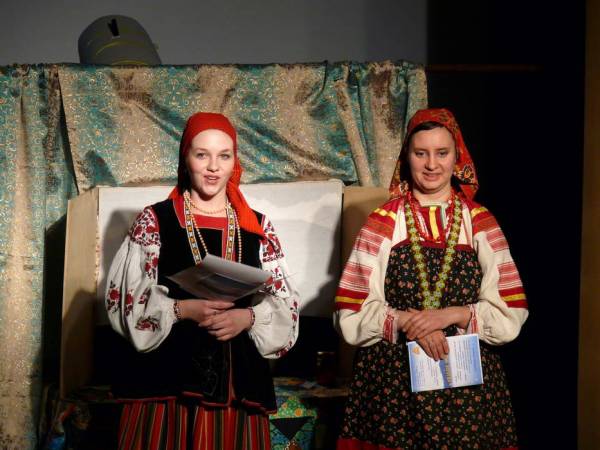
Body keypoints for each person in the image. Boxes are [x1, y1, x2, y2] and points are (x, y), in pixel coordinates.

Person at [334, 108, 528, 449]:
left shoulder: (480, 221)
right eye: (420, 153)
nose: (431, 164)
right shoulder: (382, 222)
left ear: (457, 158)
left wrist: (451, 315)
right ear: (406, 157)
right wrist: (407, 321)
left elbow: (510, 312)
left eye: (442, 153)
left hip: (466, 388)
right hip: (392, 387)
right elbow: (350, 314)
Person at [105, 112, 299, 450]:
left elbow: (285, 303)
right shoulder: (155, 220)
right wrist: (182, 310)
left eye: (224, 156)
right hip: (167, 383)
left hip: (237, 384)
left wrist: (248, 317)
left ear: (234, 162)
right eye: (202, 155)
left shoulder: (258, 226)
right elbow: (127, 301)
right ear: (186, 159)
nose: (213, 167)